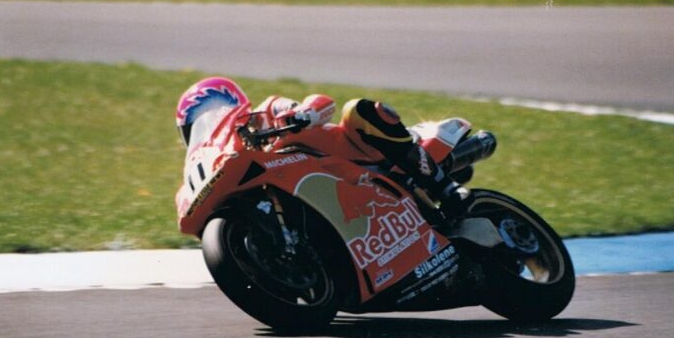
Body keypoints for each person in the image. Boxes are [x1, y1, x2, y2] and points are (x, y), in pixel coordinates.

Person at [176, 77, 469, 215]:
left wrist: (303, 114)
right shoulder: (219, 161)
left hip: (362, 159)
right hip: (343, 200)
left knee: (359, 111)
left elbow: (322, 103)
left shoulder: (264, 114)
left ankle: (445, 187)